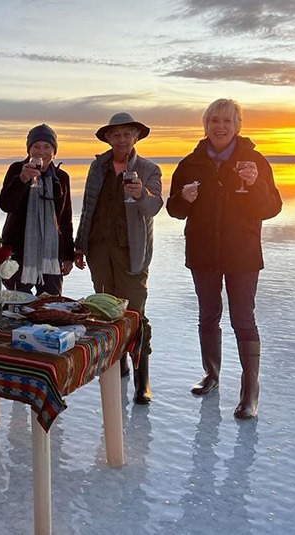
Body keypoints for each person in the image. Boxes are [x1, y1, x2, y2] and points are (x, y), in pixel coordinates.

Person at [166, 98, 282, 419]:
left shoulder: (254, 161)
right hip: (202, 252)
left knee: (243, 319)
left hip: (242, 253)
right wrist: (183, 198)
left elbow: (272, 207)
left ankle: (250, 392)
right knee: (208, 314)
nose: (220, 127)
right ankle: (212, 375)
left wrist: (254, 183)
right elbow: (174, 209)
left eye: (227, 121)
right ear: (205, 126)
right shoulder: (190, 163)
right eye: (214, 121)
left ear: (238, 126)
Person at [74, 112, 163, 404]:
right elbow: (87, 208)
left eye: (127, 134)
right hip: (99, 250)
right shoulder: (97, 167)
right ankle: (118, 364)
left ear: (136, 137)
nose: (122, 139)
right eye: (116, 134)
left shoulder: (149, 169)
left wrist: (141, 194)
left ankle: (142, 380)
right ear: (109, 138)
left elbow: (154, 206)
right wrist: (79, 245)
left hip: (131, 253)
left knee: (135, 315)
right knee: (105, 310)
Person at [0, 124, 75, 295]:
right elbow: (5, 205)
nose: (41, 151)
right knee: (17, 305)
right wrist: (22, 179)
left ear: (54, 152)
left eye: (47, 146)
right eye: (36, 146)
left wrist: (69, 255)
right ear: (29, 150)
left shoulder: (61, 178)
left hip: (51, 255)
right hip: (18, 253)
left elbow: (65, 219)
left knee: (51, 306)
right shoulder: (17, 169)